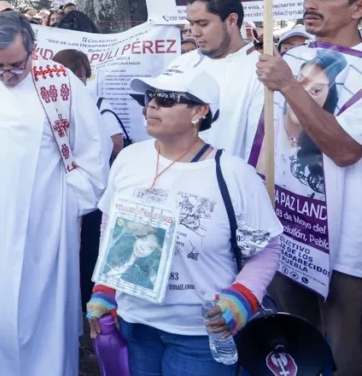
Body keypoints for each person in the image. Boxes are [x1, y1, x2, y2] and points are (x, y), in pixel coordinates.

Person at [87, 64, 282, 376]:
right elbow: (110, 229)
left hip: (200, 333)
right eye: (148, 97)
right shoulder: (128, 159)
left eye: (165, 98)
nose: (150, 105)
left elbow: (268, 247)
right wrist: (104, 291)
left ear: (199, 111)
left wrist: (242, 298)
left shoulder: (234, 174)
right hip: (135, 323)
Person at [0, 11, 107, 375]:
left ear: (32, 50)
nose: (6, 75)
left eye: (15, 66)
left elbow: (93, 156)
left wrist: (62, 209)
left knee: (36, 309)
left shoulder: (61, 83)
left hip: (42, 223)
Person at [254, 0, 362, 372]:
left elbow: (345, 150)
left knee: (343, 354)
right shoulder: (294, 56)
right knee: (293, 345)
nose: (310, 4)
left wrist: (289, 84)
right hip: (287, 229)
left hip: (343, 242)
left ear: (358, 9)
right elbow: (267, 138)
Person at [53, 48, 125, 307]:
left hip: (91, 191)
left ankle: (87, 301)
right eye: (72, 75)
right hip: (59, 190)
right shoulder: (50, 105)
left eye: (81, 77)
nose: (76, 82)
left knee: (88, 249)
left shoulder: (98, 106)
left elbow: (116, 144)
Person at [172, 0, 264, 161]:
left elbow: (260, 146)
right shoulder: (180, 65)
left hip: (228, 181)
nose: (194, 32)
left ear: (231, 20)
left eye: (203, 23)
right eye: (191, 23)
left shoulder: (261, 69)